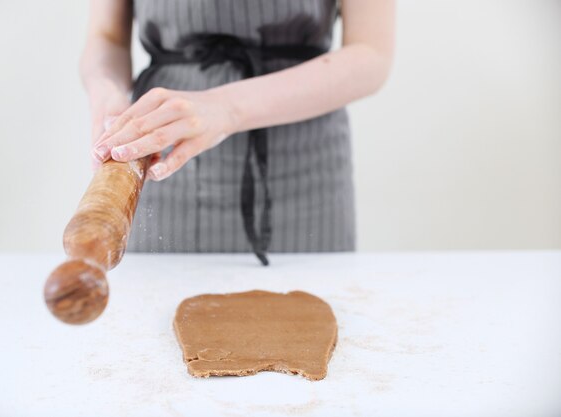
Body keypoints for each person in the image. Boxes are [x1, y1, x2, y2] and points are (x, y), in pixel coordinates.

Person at [81, 0, 395, 265]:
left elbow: (371, 54)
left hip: (304, 175)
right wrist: (106, 91)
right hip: (165, 167)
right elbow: (107, 37)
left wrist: (226, 107)